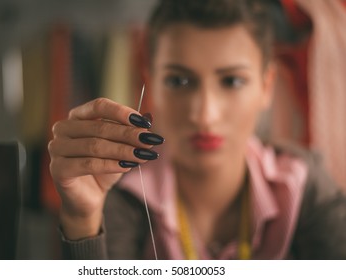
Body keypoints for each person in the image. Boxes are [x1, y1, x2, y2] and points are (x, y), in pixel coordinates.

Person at [48, 0, 346, 259]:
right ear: (149, 78)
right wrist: (82, 220)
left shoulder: (303, 187)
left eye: (232, 81)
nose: (204, 115)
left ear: (267, 86)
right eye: (179, 81)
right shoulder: (119, 194)